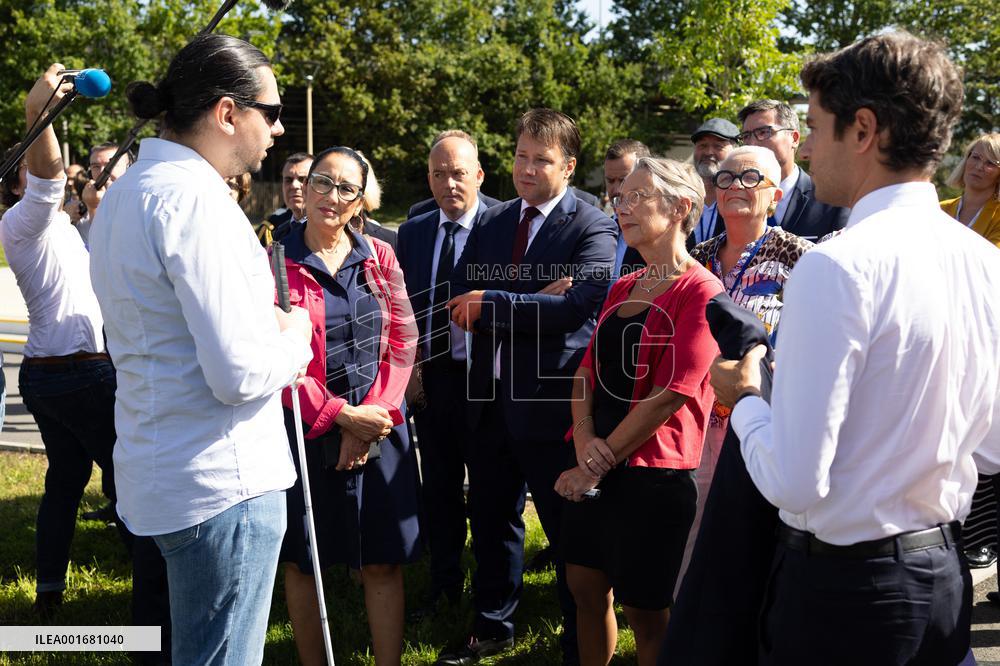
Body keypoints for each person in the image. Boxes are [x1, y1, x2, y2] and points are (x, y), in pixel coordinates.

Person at [710, 32, 1000, 665]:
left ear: (863, 130)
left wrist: (745, 400)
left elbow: (794, 480)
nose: (806, 148)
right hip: (941, 576)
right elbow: (993, 445)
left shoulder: (837, 267)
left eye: (814, 127)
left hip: (848, 593)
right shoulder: (985, 261)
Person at [89, 34, 313, 664]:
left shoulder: (127, 191)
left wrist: (259, 320)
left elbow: (162, 325)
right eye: (270, 112)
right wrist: (295, 339)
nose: (278, 127)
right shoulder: (197, 200)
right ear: (226, 113)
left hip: (157, 475)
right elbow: (239, 375)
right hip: (223, 487)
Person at [439, 108, 617, 665]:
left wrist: (497, 301)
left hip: (551, 406)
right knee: (491, 520)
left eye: (541, 159)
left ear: (568, 165)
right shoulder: (491, 221)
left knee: (567, 533)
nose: (526, 168)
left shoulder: (593, 224)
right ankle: (492, 624)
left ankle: (577, 637)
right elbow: (461, 294)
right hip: (487, 401)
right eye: (520, 155)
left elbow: (576, 310)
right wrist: (536, 297)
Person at [555, 157, 723, 666]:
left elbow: (673, 391)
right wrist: (586, 445)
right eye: (619, 197)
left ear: (681, 208)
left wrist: (595, 462)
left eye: (636, 197)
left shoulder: (702, 291)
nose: (620, 207)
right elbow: (586, 372)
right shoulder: (623, 286)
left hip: (652, 476)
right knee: (584, 586)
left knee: (646, 612)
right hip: (595, 461)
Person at [276, 145, 418, 666]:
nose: (330, 197)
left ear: (361, 201)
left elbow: (403, 340)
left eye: (345, 189)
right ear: (304, 187)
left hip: (380, 426)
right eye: (321, 182)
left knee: (382, 561)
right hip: (303, 431)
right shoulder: (274, 261)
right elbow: (276, 357)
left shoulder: (380, 256)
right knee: (304, 561)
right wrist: (338, 416)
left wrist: (370, 419)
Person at [677, 145, 814, 589]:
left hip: (766, 421)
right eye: (726, 177)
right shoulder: (696, 256)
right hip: (695, 421)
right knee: (694, 535)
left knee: (755, 542)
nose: (736, 185)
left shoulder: (801, 258)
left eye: (751, 177)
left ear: (775, 195)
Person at [397, 130, 498, 618]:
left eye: (458, 173)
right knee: (437, 486)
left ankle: (493, 590)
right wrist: (411, 369)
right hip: (432, 381)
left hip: (488, 383)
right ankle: (443, 583)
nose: (448, 183)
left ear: (478, 174)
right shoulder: (413, 231)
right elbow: (401, 307)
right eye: (438, 174)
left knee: (490, 492)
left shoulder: (502, 224)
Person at [737, 99, 848, 242]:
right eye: (746, 136)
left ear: (794, 138)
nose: (752, 143)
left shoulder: (832, 202)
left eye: (763, 132)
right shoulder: (735, 197)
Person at [940, 133, 1000, 248]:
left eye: (990, 163)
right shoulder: (939, 209)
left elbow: (991, 261)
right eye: (976, 157)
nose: (979, 167)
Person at [688, 118, 739, 247]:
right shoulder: (680, 198)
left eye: (718, 146)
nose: (708, 152)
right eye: (702, 145)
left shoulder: (741, 199)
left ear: (735, 151)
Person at [604, 139, 650, 279]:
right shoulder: (601, 230)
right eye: (611, 181)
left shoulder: (658, 235)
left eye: (624, 180)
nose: (617, 189)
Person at [77, 141, 132, 246]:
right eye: (96, 166)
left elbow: (107, 245)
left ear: (128, 167)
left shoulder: (137, 205)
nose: (102, 171)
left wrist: (94, 208)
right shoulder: (81, 209)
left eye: (110, 165)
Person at [267, 152, 313, 244]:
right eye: (288, 180)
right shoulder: (278, 232)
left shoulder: (328, 231)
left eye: (303, 179)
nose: (294, 185)